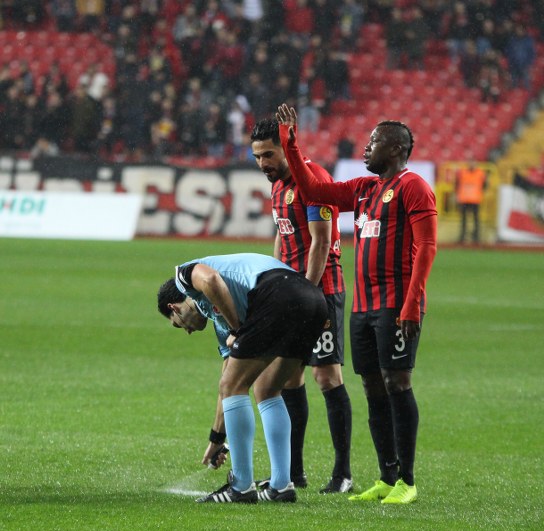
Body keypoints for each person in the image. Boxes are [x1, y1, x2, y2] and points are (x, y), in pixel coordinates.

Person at [276, 103, 438, 504]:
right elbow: (315, 191)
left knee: (398, 382)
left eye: (373, 142)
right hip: (363, 307)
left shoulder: (413, 186)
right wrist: (291, 147)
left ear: (397, 148)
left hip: (396, 304)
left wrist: (412, 304)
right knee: (372, 386)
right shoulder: (365, 191)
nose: (365, 149)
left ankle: (408, 481)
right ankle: (386, 477)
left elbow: (427, 247)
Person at [157, 253, 328, 503]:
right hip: (312, 300)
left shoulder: (183, 275)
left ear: (174, 307)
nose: (188, 331)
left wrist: (238, 329)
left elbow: (212, 279)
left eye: (178, 323)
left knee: (235, 386)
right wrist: (217, 437)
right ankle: (281, 485)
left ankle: (241, 487)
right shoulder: (219, 315)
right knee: (267, 389)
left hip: (278, 294)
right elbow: (228, 377)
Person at [250, 118, 354, 494]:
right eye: (257, 157)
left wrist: (306, 296)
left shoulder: (314, 181)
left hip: (320, 294)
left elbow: (321, 243)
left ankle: (342, 474)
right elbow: (283, 235)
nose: (263, 163)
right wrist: (275, 280)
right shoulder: (278, 187)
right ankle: (293, 472)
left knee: (326, 377)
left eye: (268, 154)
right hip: (290, 294)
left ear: (285, 149)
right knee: (289, 377)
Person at [456, 160, 487, 244]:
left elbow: (484, 185)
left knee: (476, 219)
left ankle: (476, 237)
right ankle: (462, 237)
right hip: (464, 199)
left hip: (475, 200)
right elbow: (457, 184)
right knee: (464, 220)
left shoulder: (480, 173)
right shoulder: (462, 172)